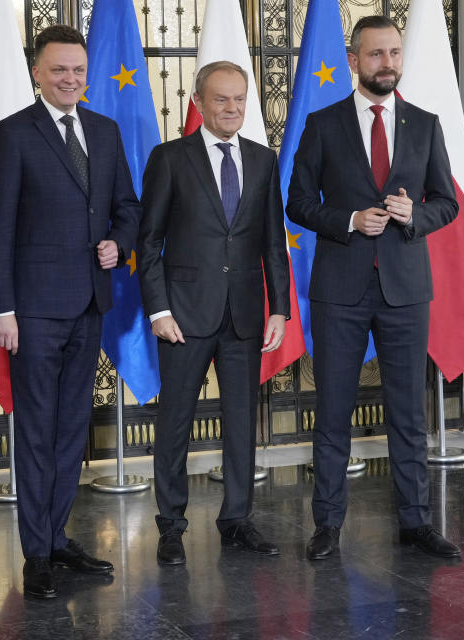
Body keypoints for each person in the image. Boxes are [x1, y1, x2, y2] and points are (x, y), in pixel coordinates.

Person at [285, 16, 461, 560]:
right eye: (377, 54)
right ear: (354, 59)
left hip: (407, 290)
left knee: (408, 414)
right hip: (340, 289)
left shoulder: (426, 124)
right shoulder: (322, 123)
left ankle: (417, 523)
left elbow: (448, 203)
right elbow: (297, 203)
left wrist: (417, 215)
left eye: (394, 52)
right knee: (333, 411)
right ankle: (328, 527)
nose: (388, 62)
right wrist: (349, 220)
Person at [0, 24, 141, 598]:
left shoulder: (105, 129)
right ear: (37, 74)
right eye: (58, 70)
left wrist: (119, 244)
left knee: (73, 429)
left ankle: (57, 535)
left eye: (77, 70)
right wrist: (2, 307)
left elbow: (128, 207)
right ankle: (36, 553)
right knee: (39, 431)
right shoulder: (12, 134)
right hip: (33, 312)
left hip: (90, 304)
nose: (70, 79)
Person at [137, 61, 291, 566]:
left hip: (245, 314)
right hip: (182, 314)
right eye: (221, 99)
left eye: (239, 99)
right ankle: (171, 526)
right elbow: (150, 240)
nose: (232, 109)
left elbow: (272, 240)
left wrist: (280, 310)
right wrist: (158, 309)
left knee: (242, 422)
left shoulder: (263, 160)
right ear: (199, 103)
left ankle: (236, 520)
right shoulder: (170, 158)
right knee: (176, 421)